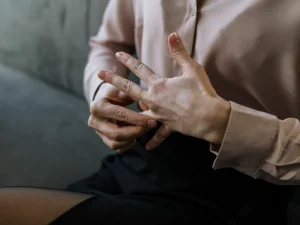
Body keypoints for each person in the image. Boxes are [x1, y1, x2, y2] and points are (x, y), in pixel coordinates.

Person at [0, 0, 299, 224]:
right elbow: (109, 44)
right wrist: (102, 94)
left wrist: (222, 124)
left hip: (242, 190)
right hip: (139, 159)